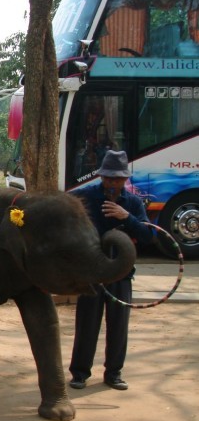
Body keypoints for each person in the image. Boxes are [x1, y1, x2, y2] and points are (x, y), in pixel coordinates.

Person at [68, 150, 153, 391]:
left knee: (118, 326)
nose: (113, 184)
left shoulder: (134, 203)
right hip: (93, 273)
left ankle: (114, 373)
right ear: (102, 177)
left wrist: (127, 218)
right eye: (109, 178)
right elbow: (63, 205)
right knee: (86, 324)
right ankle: (80, 373)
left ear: (125, 179)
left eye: (118, 179)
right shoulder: (85, 196)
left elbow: (149, 236)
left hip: (121, 273)